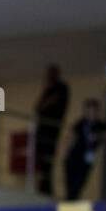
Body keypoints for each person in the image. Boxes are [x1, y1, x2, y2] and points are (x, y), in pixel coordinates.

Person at [63, 97, 106, 200]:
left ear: (97, 112)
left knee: (80, 183)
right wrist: (66, 151)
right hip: (74, 156)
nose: (90, 114)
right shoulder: (80, 123)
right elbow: (70, 136)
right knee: (70, 185)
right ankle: (70, 202)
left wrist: (98, 136)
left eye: (93, 111)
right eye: (88, 111)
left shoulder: (101, 125)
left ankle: (72, 201)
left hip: (87, 158)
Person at [33, 64, 69, 196]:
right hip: (43, 129)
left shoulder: (61, 88)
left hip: (51, 129)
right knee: (41, 158)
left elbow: (47, 104)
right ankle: (43, 186)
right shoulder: (48, 89)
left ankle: (46, 188)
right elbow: (37, 107)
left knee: (47, 158)